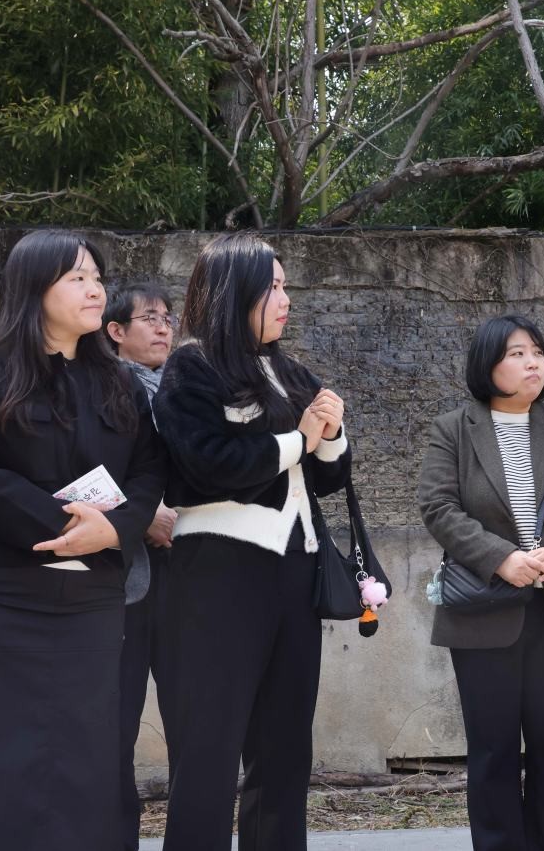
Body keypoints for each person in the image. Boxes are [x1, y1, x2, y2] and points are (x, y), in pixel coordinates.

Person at [0, 230, 166, 851]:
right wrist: (65, 526)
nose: (95, 290)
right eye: (77, 278)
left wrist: (116, 527)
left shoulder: (118, 383)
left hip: (90, 608)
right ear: (35, 289)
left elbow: (149, 471)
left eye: (96, 277)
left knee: (85, 764)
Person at [151, 234, 350, 851]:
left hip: (297, 569)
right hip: (217, 572)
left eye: (286, 285)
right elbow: (210, 463)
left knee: (285, 749)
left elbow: (329, 476)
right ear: (233, 292)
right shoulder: (192, 365)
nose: (286, 299)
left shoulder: (291, 371)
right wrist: (299, 438)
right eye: (274, 287)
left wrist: (334, 434)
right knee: (208, 749)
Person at [419, 314, 544, 851]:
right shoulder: (453, 428)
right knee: (492, 751)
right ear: (487, 365)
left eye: (537, 351)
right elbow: (438, 506)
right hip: (483, 612)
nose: (532, 362)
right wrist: (501, 558)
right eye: (515, 353)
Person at [102, 280, 180, 851]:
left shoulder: (185, 388)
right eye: (149, 318)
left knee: (194, 722)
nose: (163, 327)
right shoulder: (98, 388)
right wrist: (141, 515)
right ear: (115, 332)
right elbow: (76, 471)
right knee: (116, 725)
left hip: (189, 578)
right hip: (124, 582)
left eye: (169, 318)